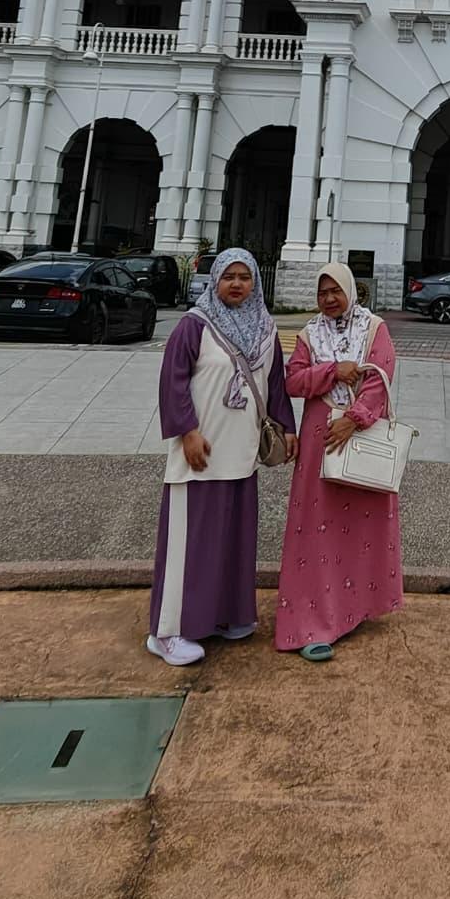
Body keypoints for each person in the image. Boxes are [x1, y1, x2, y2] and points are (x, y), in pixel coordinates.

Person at [150, 246, 293, 667]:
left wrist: (288, 428)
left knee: (231, 541)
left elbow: (276, 385)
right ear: (215, 281)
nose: (236, 284)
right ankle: (167, 631)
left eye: (244, 277)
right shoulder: (195, 325)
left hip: (241, 454)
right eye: (228, 276)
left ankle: (225, 615)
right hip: (201, 451)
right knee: (190, 542)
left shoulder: (265, 330)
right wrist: (187, 431)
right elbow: (173, 382)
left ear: (255, 283)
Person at [277, 262, 404, 661]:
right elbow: (293, 381)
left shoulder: (373, 328)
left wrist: (354, 419)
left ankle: (356, 606)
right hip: (321, 442)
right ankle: (311, 622)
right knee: (316, 530)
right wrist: (333, 371)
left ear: (351, 291)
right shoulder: (309, 334)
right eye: (322, 292)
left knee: (358, 526)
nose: (329, 298)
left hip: (358, 436)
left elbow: (380, 376)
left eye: (336, 290)